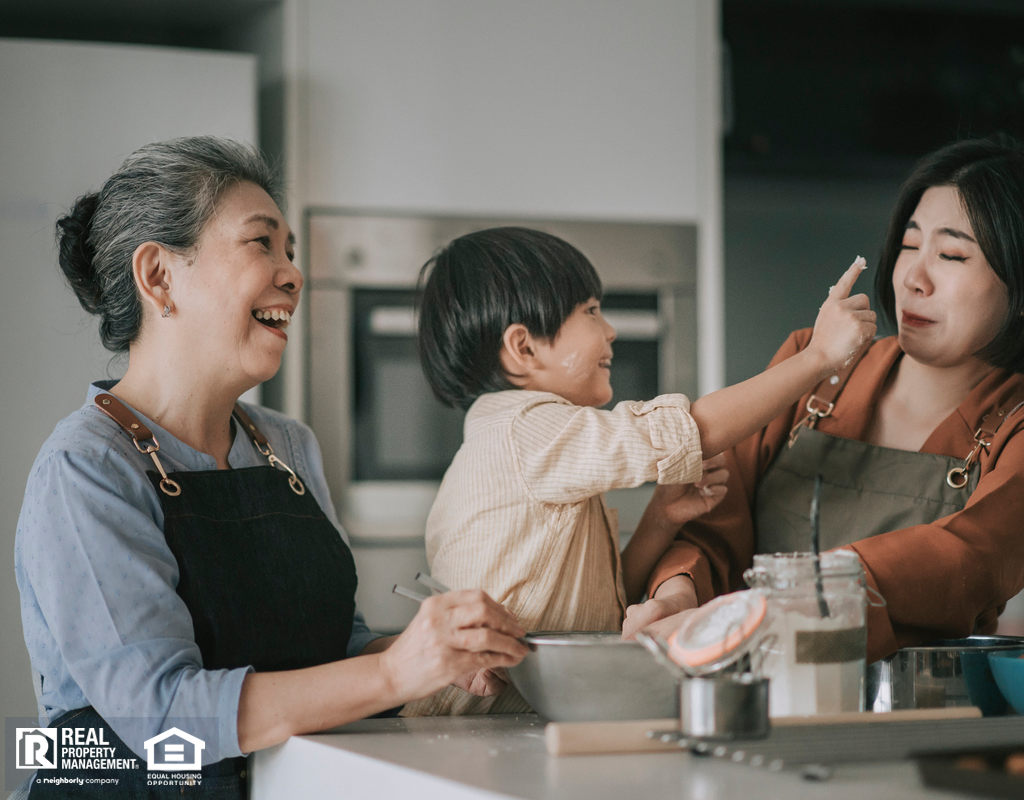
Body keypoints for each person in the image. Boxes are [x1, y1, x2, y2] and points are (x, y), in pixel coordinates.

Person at [14, 137, 528, 799]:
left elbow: (336, 652)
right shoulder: (84, 469)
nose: (292, 273)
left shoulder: (286, 445)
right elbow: (160, 715)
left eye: (289, 250)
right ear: (159, 277)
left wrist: (446, 655)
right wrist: (396, 673)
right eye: (262, 243)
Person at [400, 226, 876, 716]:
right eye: (590, 311)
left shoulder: (538, 446)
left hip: (510, 727)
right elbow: (688, 430)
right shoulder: (524, 431)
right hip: (468, 730)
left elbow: (603, 604)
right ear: (524, 348)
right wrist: (818, 357)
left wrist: (661, 519)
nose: (610, 330)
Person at [626, 135, 1024, 665]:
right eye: (909, 245)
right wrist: (679, 592)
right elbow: (710, 520)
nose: (913, 278)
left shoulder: (1014, 427)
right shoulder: (808, 368)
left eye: (952, 254)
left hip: (910, 717)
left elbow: (965, 561)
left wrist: (774, 606)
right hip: (751, 701)